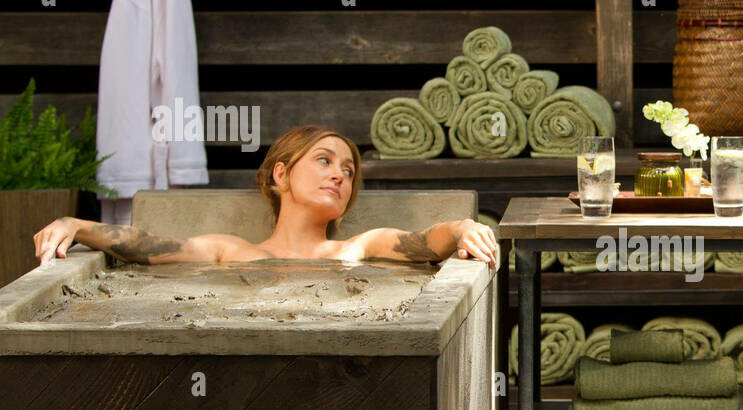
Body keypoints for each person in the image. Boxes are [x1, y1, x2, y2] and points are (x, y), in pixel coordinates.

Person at [32, 125, 499, 270]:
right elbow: (147, 247)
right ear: (281, 174)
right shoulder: (229, 251)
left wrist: (462, 227)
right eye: (323, 160)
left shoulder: (358, 248)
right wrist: (77, 225)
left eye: (348, 170)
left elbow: (424, 242)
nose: (339, 174)